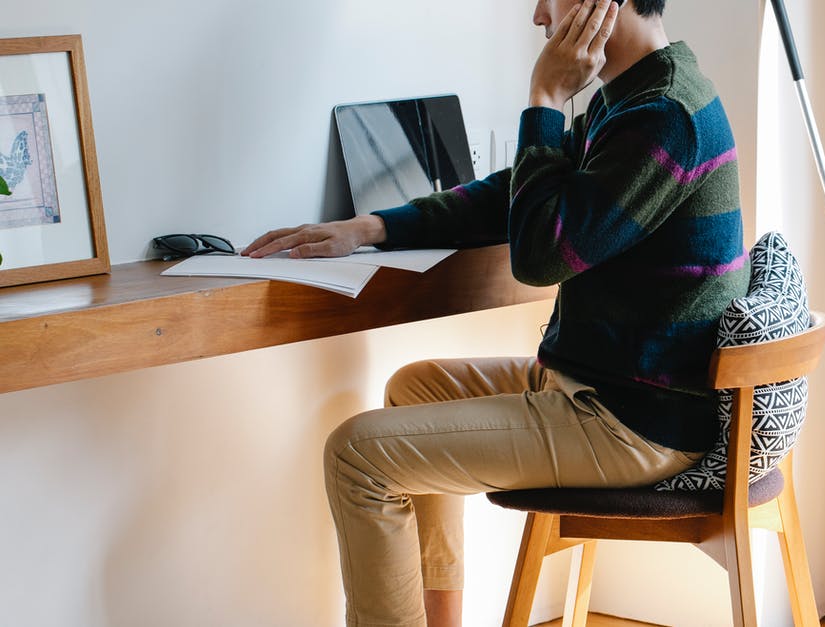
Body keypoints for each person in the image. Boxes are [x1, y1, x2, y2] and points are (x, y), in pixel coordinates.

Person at [243, 1, 748, 625]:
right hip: (607, 387)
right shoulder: (634, 96)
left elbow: (541, 255)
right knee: (413, 387)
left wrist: (542, 93)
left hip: (633, 423)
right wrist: (369, 227)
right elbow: (516, 193)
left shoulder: (665, 115)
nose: (539, 15)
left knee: (356, 456)